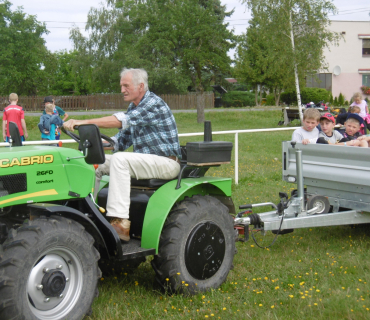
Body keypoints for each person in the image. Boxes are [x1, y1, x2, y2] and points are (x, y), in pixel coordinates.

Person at [63, 68, 181, 242]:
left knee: (120, 159)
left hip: (167, 163)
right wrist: (90, 143)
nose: (122, 90)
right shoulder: (134, 107)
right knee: (92, 161)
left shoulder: (153, 104)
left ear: (140, 86)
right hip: (148, 162)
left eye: (126, 86)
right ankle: (88, 213)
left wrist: (83, 122)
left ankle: (119, 222)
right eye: (121, 86)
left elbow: (120, 120)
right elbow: (119, 141)